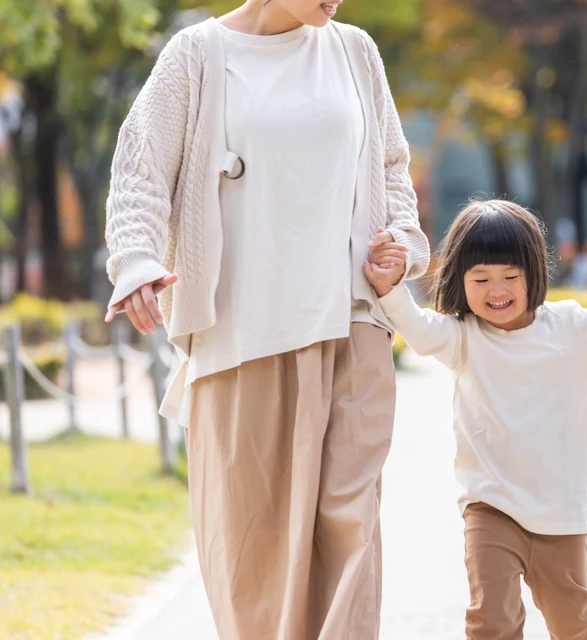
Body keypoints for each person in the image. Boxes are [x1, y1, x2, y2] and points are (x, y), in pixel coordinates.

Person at [102, 0, 429, 638]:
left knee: (351, 528)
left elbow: (391, 166)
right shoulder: (195, 56)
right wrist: (137, 261)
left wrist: (401, 243)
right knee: (251, 544)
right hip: (239, 330)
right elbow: (140, 170)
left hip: (351, 320)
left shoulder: (355, 51)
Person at [363, 199, 587, 639]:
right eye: (480, 278)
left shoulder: (571, 330)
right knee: (491, 619)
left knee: (573, 621)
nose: (495, 290)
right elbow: (420, 329)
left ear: (533, 274)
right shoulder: (464, 337)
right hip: (491, 506)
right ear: (460, 280)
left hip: (560, 512)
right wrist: (389, 289)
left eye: (509, 277)